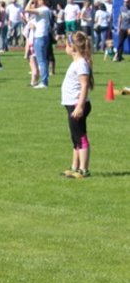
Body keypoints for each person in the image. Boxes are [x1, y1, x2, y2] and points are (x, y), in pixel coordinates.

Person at [60, 32, 94, 179]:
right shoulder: (76, 63)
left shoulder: (81, 64)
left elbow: (85, 85)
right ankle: (74, 166)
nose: (65, 47)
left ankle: (83, 169)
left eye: (66, 44)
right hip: (71, 104)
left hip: (77, 105)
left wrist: (79, 106)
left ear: (73, 47)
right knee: (75, 137)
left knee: (80, 136)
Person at [25, 0, 52, 88]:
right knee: (42, 60)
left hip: (40, 37)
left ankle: (44, 82)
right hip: (41, 36)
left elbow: (26, 10)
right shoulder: (45, 10)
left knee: (42, 61)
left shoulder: (43, 9)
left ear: (42, 1)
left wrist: (30, 0)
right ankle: (44, 80)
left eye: (38, 0)